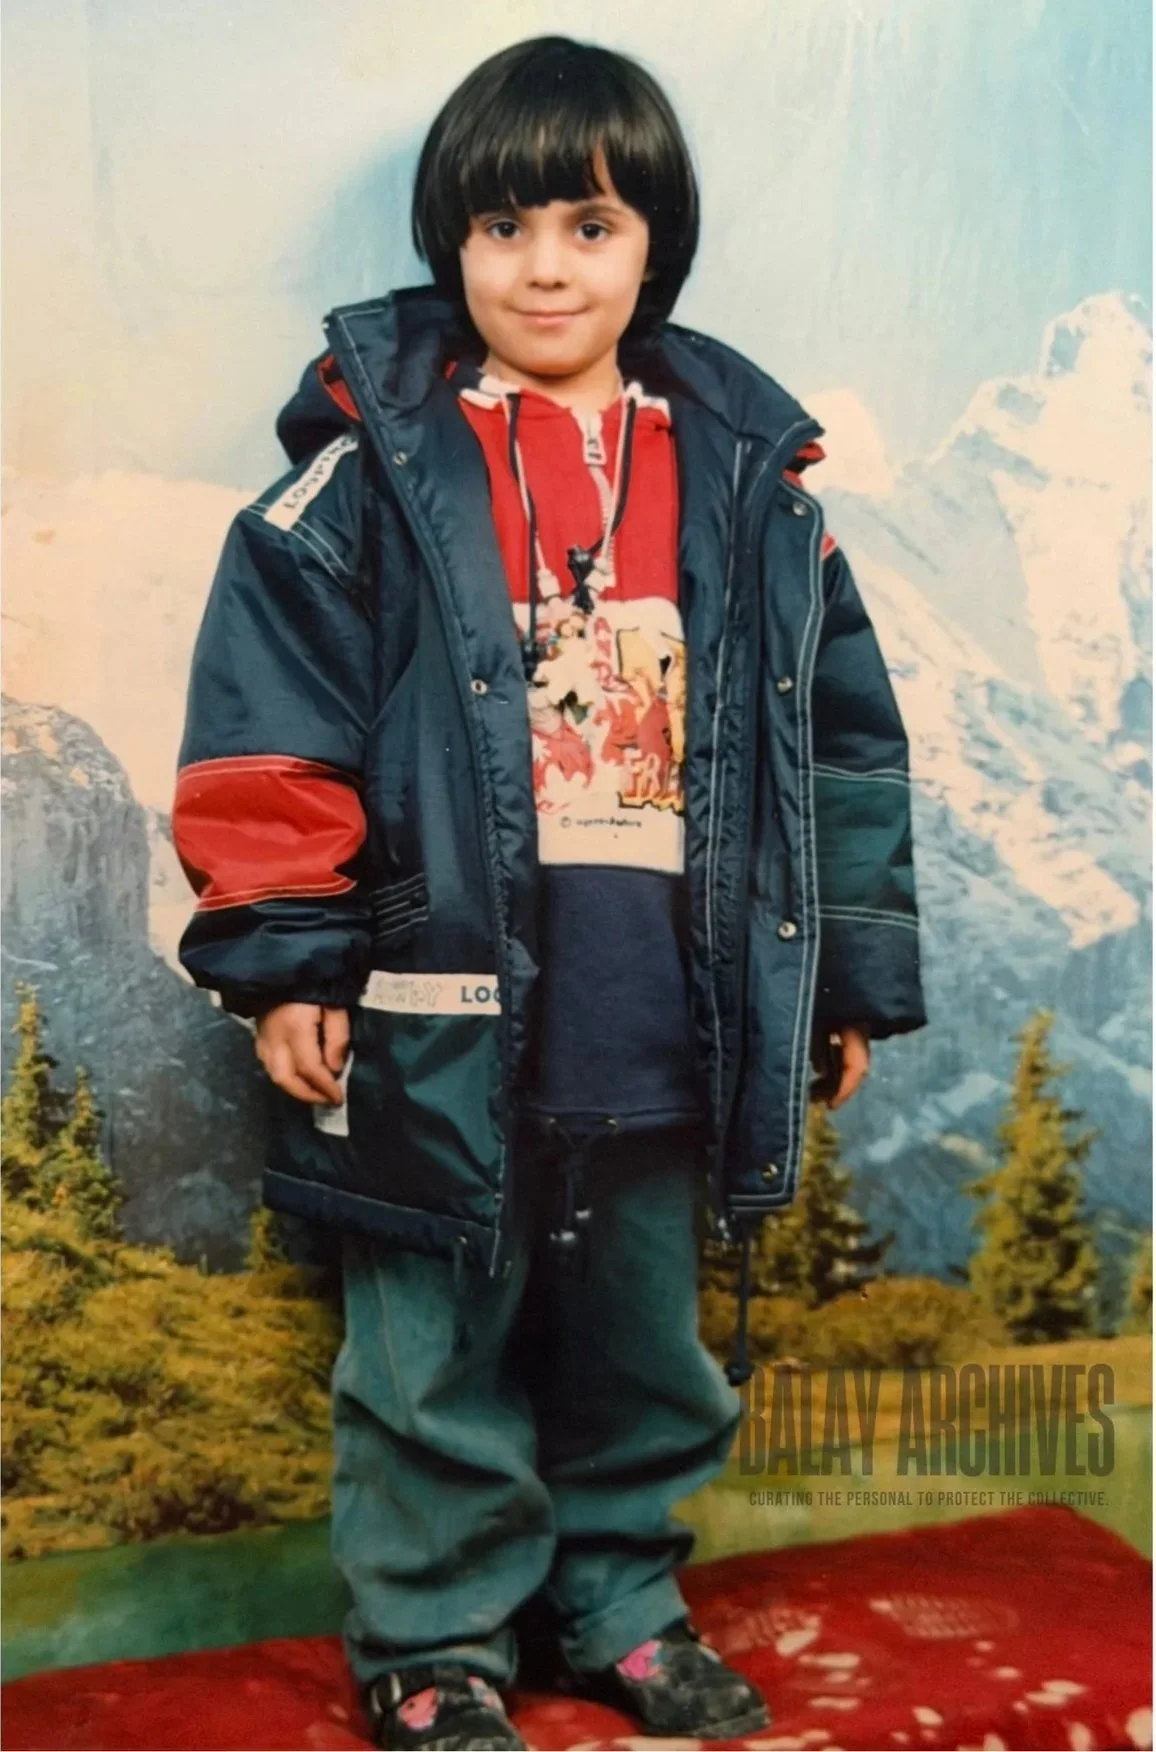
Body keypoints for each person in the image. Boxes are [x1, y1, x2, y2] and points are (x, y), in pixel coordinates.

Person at [171, 34, 927, 1751]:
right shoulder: (366, 481)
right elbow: (268, 731)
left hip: (667, 1005)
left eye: (589, 225)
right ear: (452, 244)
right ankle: (435, 1641)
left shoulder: (748, 489)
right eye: (503, 227)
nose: (544, 267)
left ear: (657, 242)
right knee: (431, 1347)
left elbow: (841, 747)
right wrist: (290, 959)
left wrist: (844, 980)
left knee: (646, 1342)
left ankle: (618, 1608)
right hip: (438, 1010)